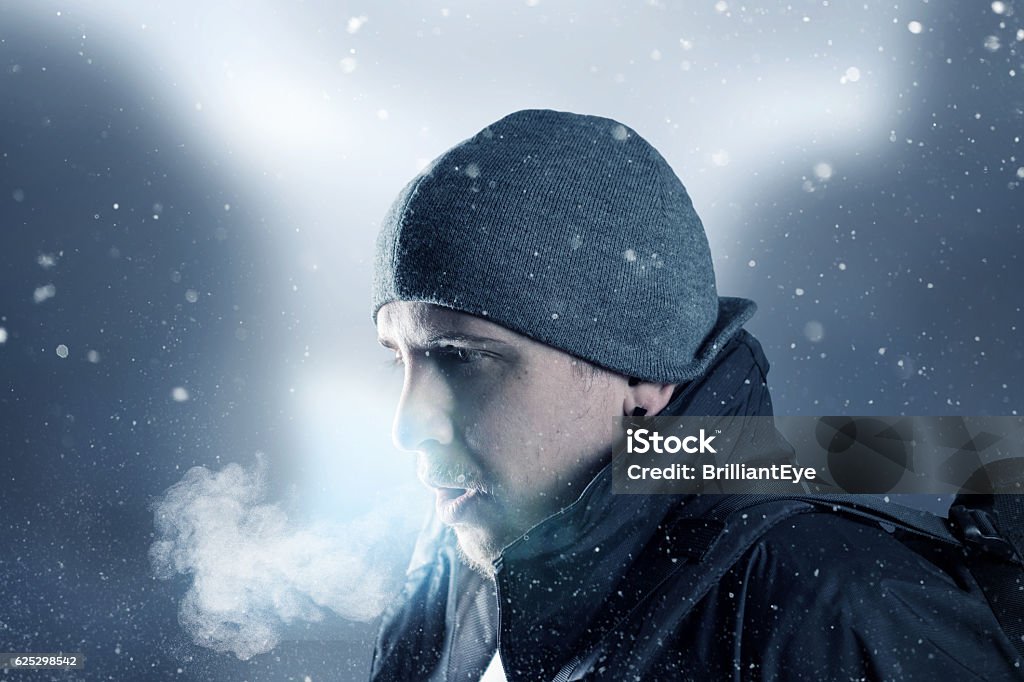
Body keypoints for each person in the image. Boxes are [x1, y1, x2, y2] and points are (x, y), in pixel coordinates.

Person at [368, 110, 1020, 681]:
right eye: (400, 357)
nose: (407, 424)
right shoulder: (447, 592)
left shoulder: (825, 608)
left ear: (641, 378)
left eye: (460, 360)